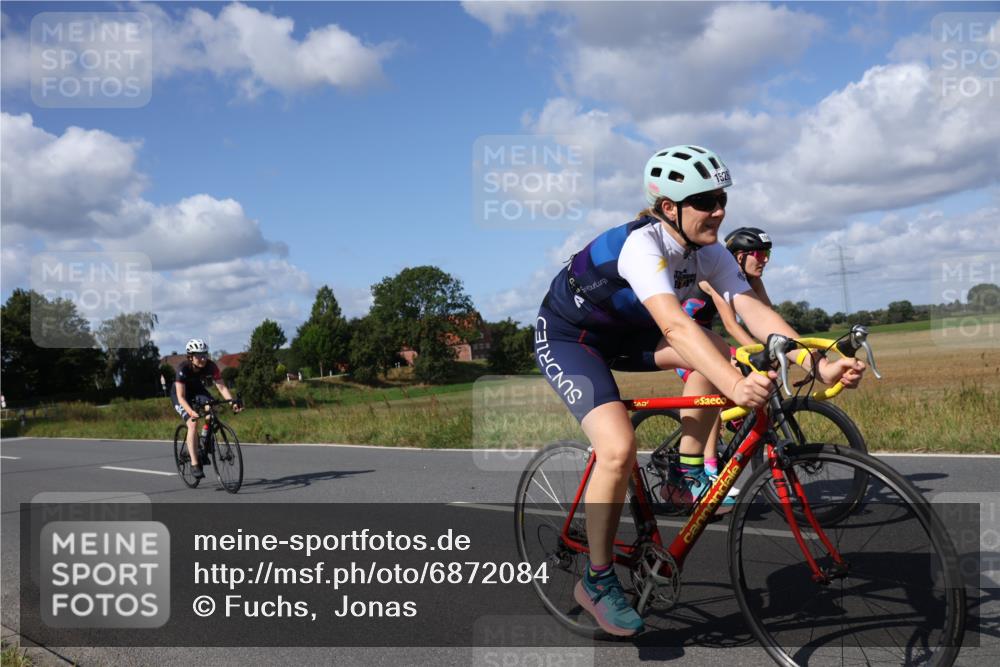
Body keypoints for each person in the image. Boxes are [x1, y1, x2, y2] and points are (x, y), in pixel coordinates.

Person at [534, 145, 865, 636]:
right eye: (706, 200)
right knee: (619, 448)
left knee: (722, 357)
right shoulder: (641, 246)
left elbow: (752, 311)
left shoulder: (708, 253)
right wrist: (738, 384)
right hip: (571, 339)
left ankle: (684, 472)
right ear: (669, 207)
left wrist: (816, 362)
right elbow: (676, 329)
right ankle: (598, 580)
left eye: (721, 198)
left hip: (631, 337)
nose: (719, 210)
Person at [675, 226, 773, 477]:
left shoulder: (753, 281)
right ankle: (709, 467)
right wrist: (757, 353)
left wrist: (784, 347)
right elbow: (731, 324)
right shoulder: (714, 277)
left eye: (767, 255)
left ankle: (734, 423)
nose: (764, 261)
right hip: (684, 340)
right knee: (721, 378)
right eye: (758, 255)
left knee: (741, 378)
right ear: (739, 256)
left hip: (708, 337)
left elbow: (768, 318)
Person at [170, 339, 242, 479]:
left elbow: (221, 386)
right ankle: (195, 464)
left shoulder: (211, 366)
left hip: (197, 390)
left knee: (212, 408)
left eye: (204, 354)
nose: (203, 358)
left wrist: (231, 402)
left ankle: (204, 440)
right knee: (192, 423)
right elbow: (181, 396)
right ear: (190, 356)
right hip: (180, 395)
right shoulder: (182, 369)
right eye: (198, 355)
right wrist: (191, 412)